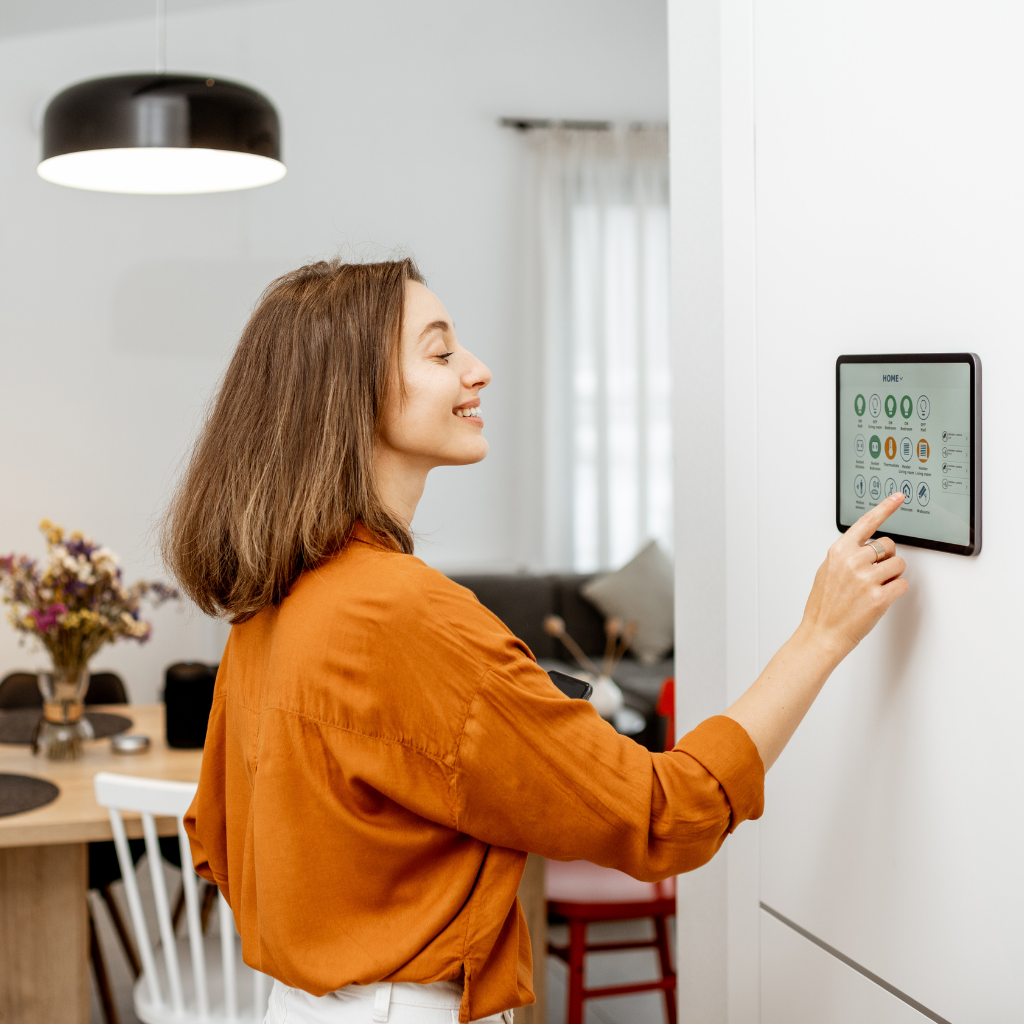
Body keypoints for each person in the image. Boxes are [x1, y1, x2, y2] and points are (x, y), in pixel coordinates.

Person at [165, 259, 908, 1024]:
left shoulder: (272, 599)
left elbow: (214, 837)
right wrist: (819, 635)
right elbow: (662, 814)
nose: (477, 370)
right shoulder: (403, 613)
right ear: (351, 392)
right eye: (441, 351)